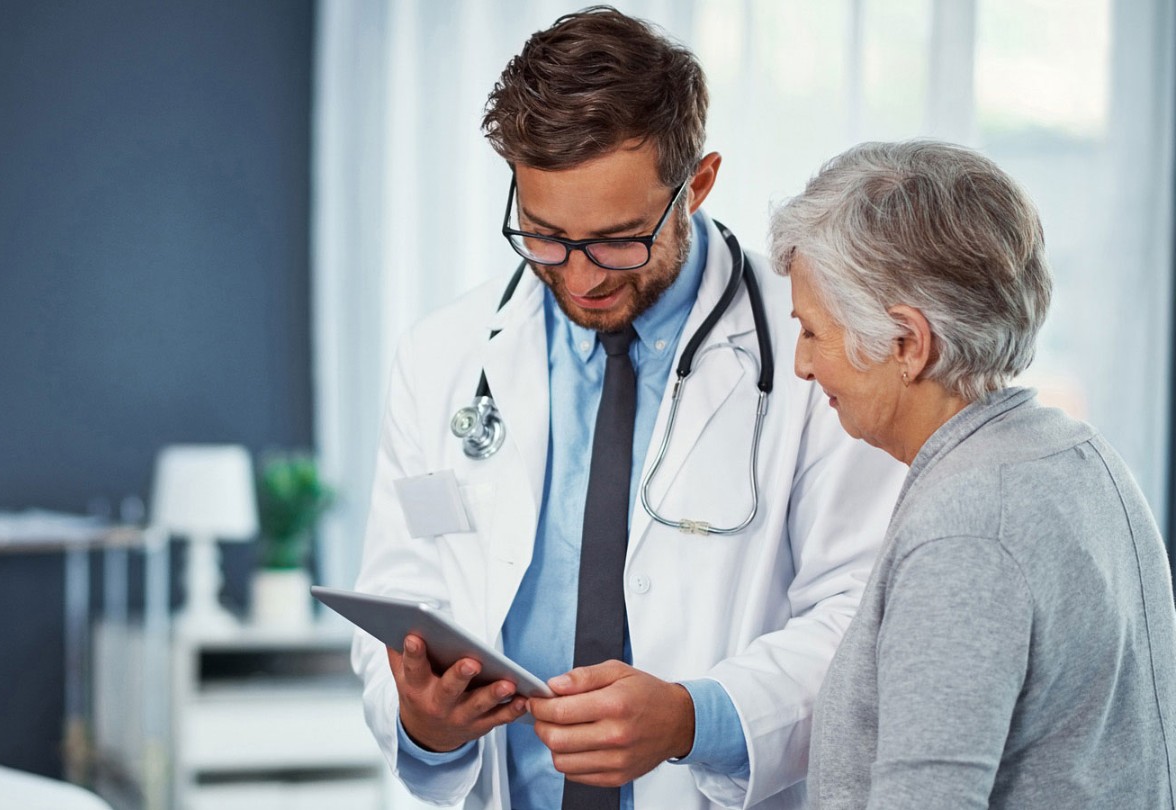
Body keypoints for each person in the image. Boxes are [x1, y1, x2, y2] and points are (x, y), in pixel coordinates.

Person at [350, 7, 904, 809]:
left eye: (616, 240)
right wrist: (422, 720)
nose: (580, 277)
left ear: (699, 184)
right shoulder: (442, 354)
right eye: (544, 236)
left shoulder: (811, 351)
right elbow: (403, 591)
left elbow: (860, 613)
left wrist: (692, 718)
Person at [768, 139, 1176, 809]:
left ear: (908, 342)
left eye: (812, 331)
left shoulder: (968, 529)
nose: (802, 367)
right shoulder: (1077, 455)